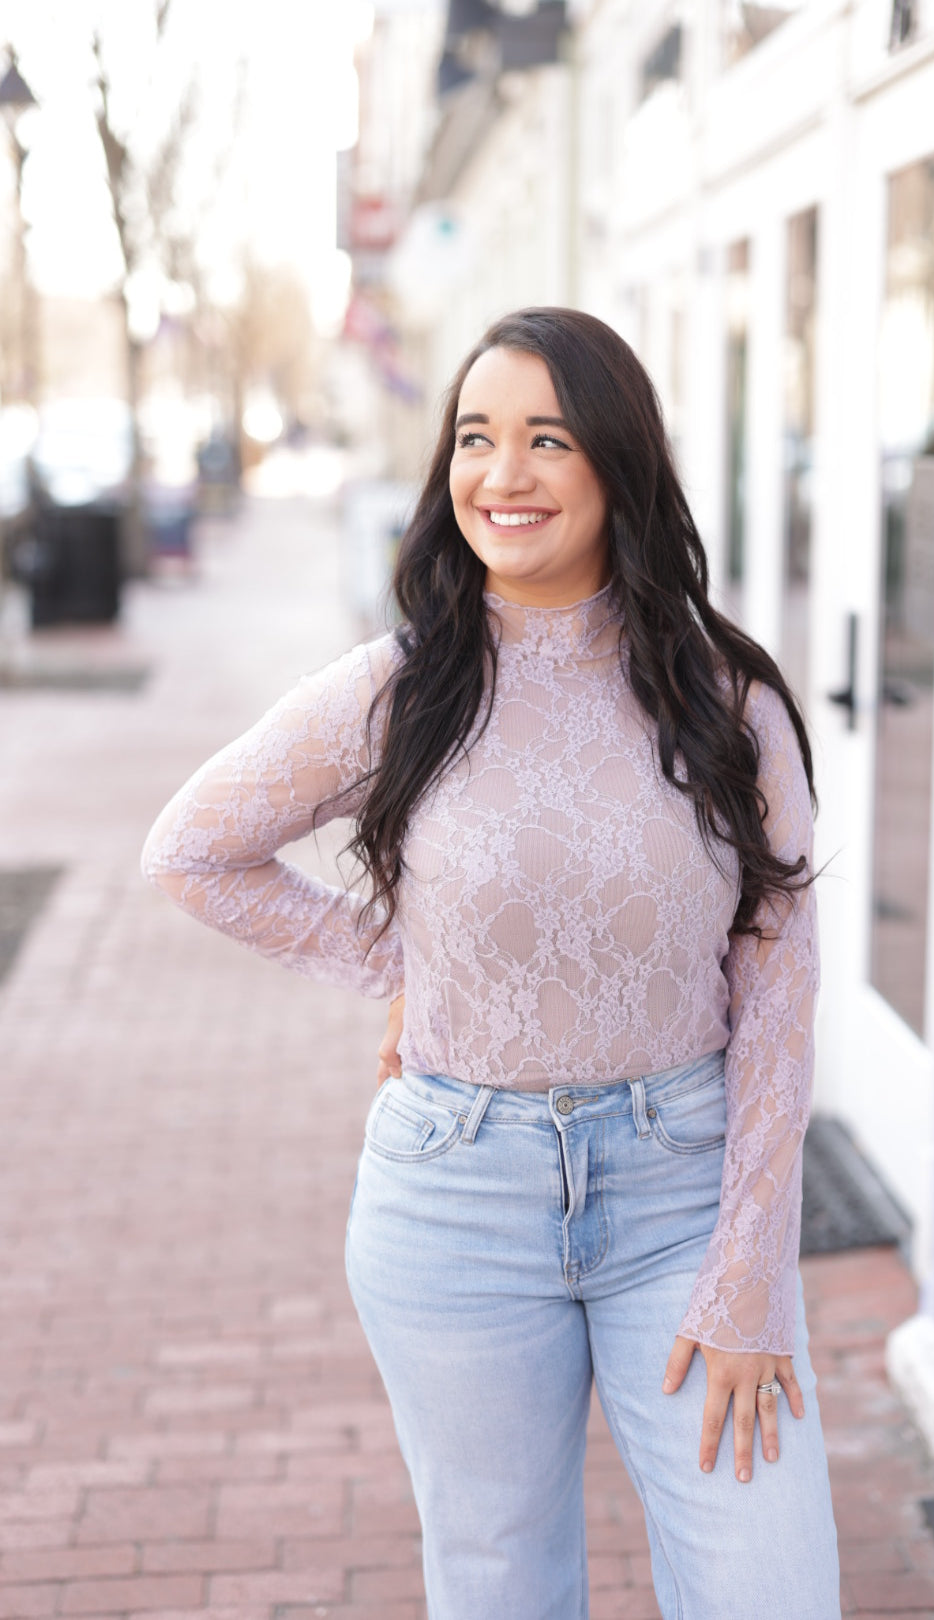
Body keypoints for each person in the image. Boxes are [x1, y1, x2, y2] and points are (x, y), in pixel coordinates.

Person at [142, 307, 841, 1618]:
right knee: (502, 1592)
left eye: (546, 439)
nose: (501, 475)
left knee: (772, 1585)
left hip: (683, 1194)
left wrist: (752, 1268)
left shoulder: (723, 697)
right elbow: (193, 850)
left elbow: (783, 984)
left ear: (615, 466)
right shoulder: (404, 688)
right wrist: (399, 968)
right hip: (453, 1206)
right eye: (475, 437)